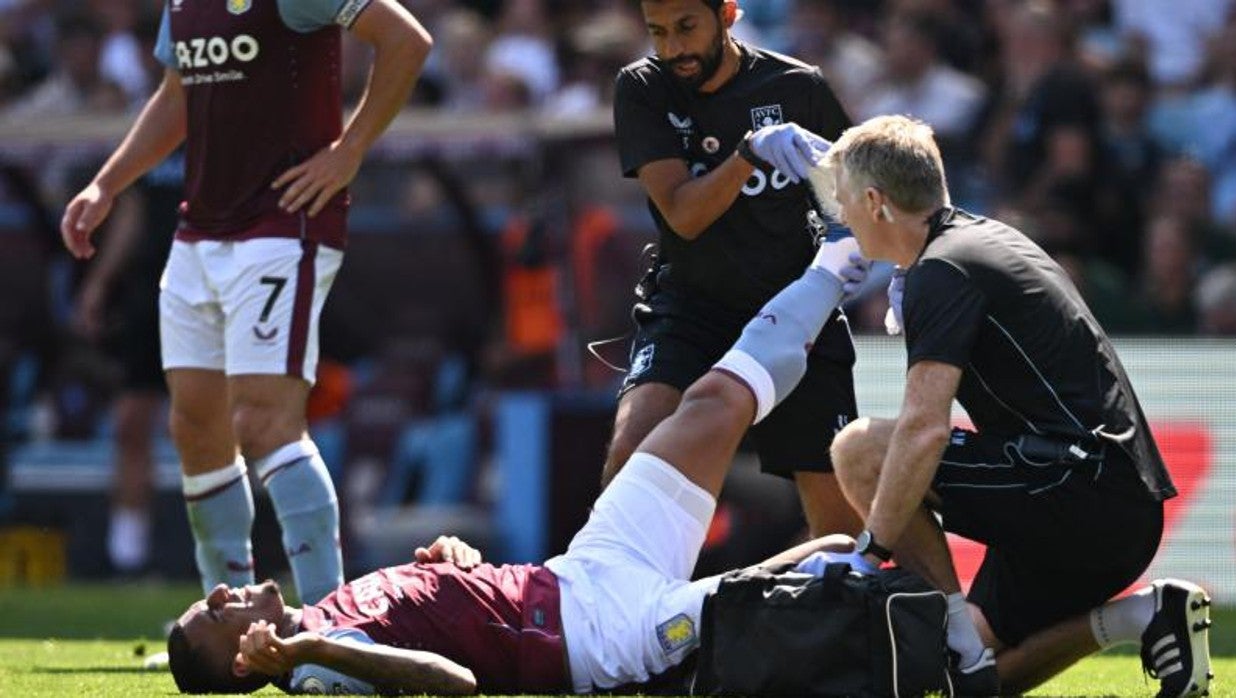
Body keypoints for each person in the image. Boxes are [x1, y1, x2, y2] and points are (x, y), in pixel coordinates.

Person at [166, 214, 873, 694]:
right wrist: (309, 652)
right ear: (241, 658)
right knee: (816, 559)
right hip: (603, 641)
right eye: (215, 613)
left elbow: (440, 623)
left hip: (580, 572)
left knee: (712, 403)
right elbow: (457, 684)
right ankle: (930, 609)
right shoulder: (321, 675)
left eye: (210, 597)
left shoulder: (321, 617)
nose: (221, 591)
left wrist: (454, 577)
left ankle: (842, 255)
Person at [811, 115, 1212, 697]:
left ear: (875, 203)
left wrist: (869, 554)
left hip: (1079, 489)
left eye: (843, 201)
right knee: (967, 683)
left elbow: (923, 433)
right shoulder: (984, 239)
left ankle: (952, 627)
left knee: (860, 449)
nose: (840, 215)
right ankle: (1144, 616)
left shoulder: (941, 268)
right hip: (1113, 503)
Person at [60, 0, 432, 603]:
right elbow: (176, 96)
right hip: (199, 230)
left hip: (284, 224)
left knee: (263, 422)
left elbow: (408, 40)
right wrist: (107, 183)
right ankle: (227, 615)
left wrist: (350, 149)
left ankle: (331, 618)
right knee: (195, 429)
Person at [607, 0, 860, 537]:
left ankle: (898, 612)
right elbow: (684, 215)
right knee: (630, 453)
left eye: (686, 28)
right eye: (658, 32)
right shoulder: (642, 87)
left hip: (793, 311)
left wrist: (861, 254)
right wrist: (749, 153)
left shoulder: (799, 87)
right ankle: (602, 613)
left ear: (727, 14)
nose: (673, 48)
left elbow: (858, 194)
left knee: (837, 518)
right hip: (691, 304)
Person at [70, 150, 183, 575]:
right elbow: (131, 214)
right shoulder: (149, 135)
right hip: (149, 299)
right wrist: (99, 284)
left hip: (213, 292)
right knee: (131, 423)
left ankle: (225, 559)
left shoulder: (228, 114)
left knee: (213, 425)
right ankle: (128, 557)